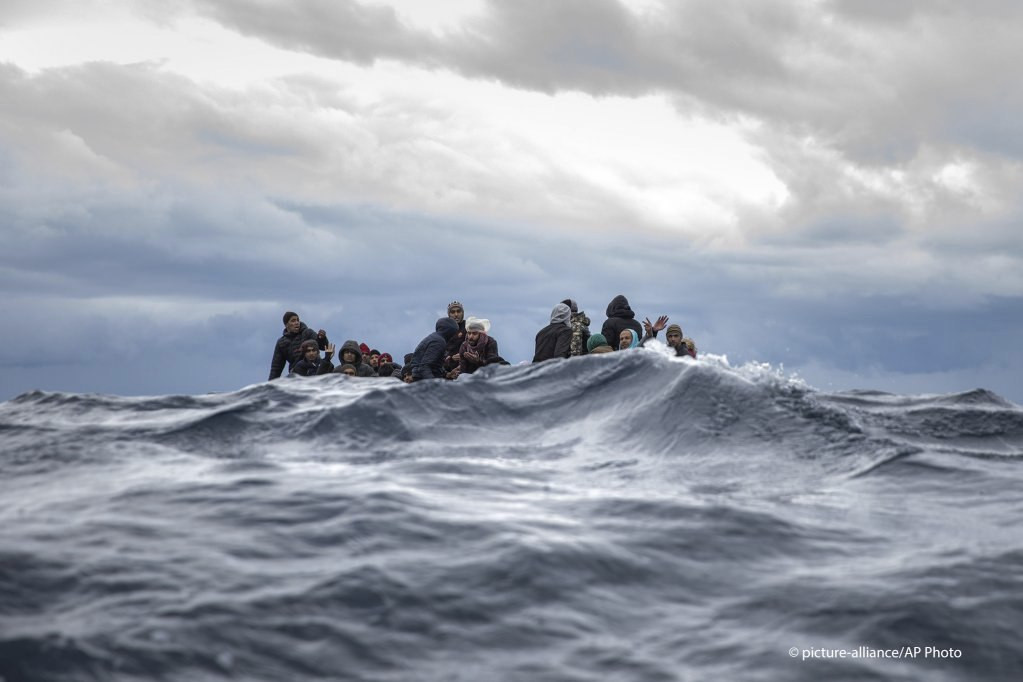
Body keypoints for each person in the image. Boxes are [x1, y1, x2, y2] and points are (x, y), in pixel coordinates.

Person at [268, 311, 329, 380]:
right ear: (286, 324)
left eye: (297, 320)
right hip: (296, 375)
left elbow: (324, 347)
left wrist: (322, 338)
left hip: (315, 370)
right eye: (293, 321)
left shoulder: (308, 333)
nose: (296, 323)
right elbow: (276, 368)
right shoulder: (281, 343)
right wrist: (270, 387)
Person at [443, 301, 467, 372]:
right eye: (453, 312)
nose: (456, 314)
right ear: (449, 314)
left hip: (467, 368)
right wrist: (451, 358)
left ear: (462, 313)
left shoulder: (469, 327)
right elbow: (440, 352)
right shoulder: (444, 331)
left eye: (458, 311)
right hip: (449, 370)